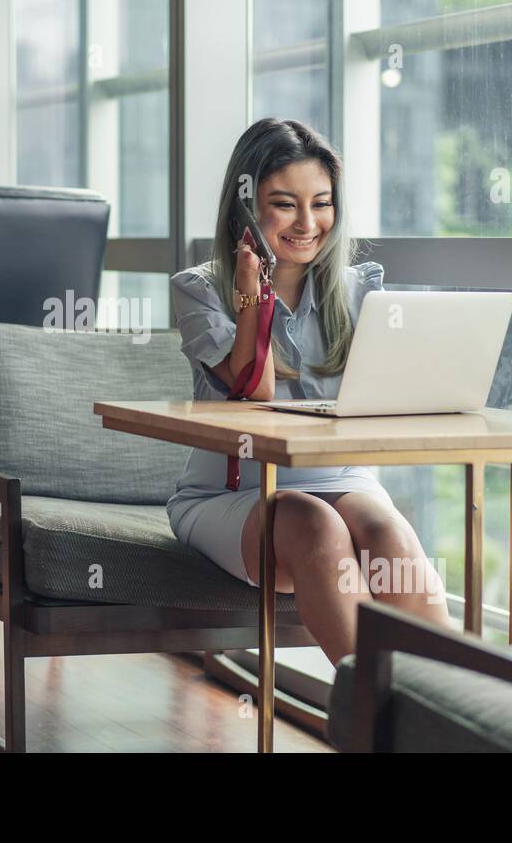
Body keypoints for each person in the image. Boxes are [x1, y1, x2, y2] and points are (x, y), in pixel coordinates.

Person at [167, 118, 450, 666]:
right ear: (244, 208)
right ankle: (375, 722)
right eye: (284, 204)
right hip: (232, 495)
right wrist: (252, 291)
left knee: (387, 532)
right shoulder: (200, 289)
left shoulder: (360, 288)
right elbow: (255, 388)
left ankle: (455, 712)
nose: (307, 223)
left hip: (344, 477)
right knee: (312, 522)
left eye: (321, 203)